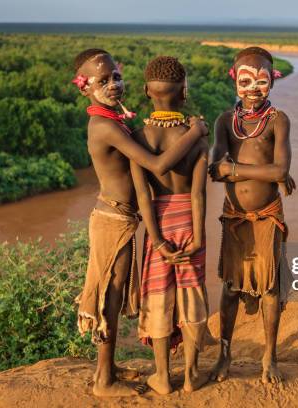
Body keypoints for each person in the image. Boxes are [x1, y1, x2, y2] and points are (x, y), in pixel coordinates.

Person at [72, 48, 208, 397]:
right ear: (84, 87)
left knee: (117, 296)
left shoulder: (120, 122)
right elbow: (158, 166)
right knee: (110, 298)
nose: (113, 84)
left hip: (123, 219)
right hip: (112, 220)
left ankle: (110, 367)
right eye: (102, 81)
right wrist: (195, 133)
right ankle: (104, 381)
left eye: (116, 76)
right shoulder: (105, 126)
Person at [208, 46, 295, 384]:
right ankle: (224, 356)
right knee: (230, 288)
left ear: (273, 81)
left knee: (270, 289)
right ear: (234, 80)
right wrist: (263, 171)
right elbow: (216, 170)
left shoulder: (278, 120)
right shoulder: (224, 122)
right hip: (235, 217)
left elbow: (281, 169)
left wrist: (236, 169)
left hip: (267, 216)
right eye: (246, 81)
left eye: (262, 81)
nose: (253, 89)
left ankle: (269, 357)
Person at [130, 56, 210, 394]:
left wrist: (158, 241)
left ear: (147, 90)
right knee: (192, 297)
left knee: (159, 296)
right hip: (189, 224)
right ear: (184, 92)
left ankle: (162, 376)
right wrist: (198, 237)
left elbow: (143, 197)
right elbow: (198, 195)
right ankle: (191, 375)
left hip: (158, 225)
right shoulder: (198, 136)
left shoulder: (138, 137)